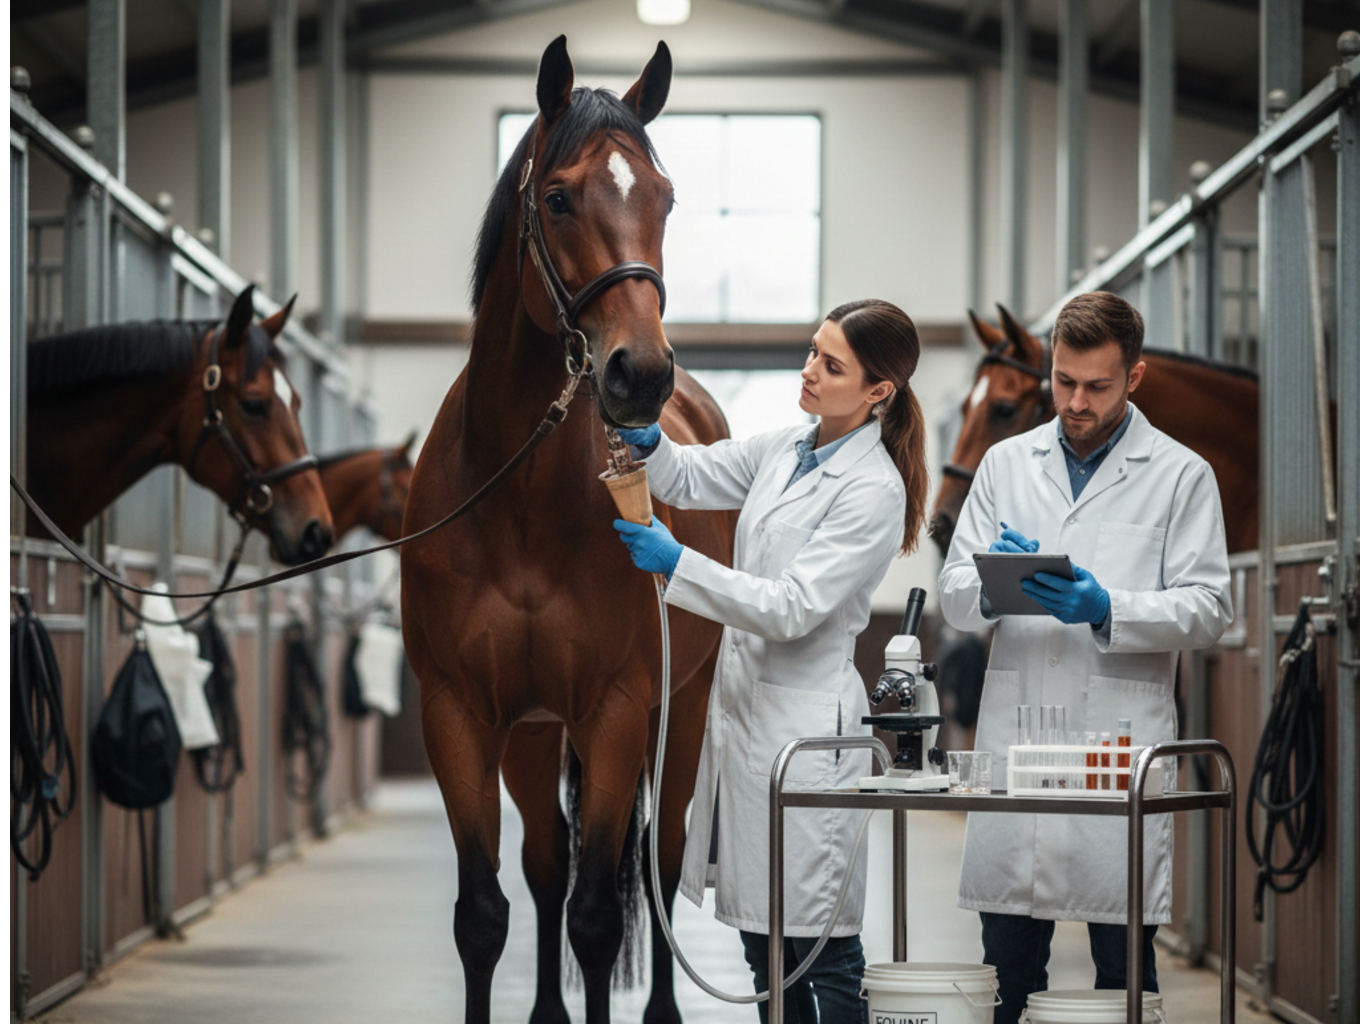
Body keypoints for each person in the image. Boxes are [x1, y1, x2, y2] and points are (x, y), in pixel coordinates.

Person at [612, 299, 929, 1024]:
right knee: (761, 941)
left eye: (833, 364)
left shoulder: (872, 490)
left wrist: (677, 563)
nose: (810, 370)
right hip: (751, 726)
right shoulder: (786, 447)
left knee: (824, 946)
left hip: (808, 733)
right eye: (814, 352)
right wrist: (650, 441)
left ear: (880, 391)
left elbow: (791, 607)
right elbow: (690, 477)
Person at [937, 291, 1232, 1022]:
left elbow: (1212, 608)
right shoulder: (1007, 465)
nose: (1075, 401)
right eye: (1064, 382)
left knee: (1123, 969)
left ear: (1133, 378)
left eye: (1096, 386)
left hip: (1116, 751)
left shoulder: (1181, 475)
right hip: (1019, 750)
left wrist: (1111, 609)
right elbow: (951, 595)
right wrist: (990, 586)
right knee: (1007, 966)